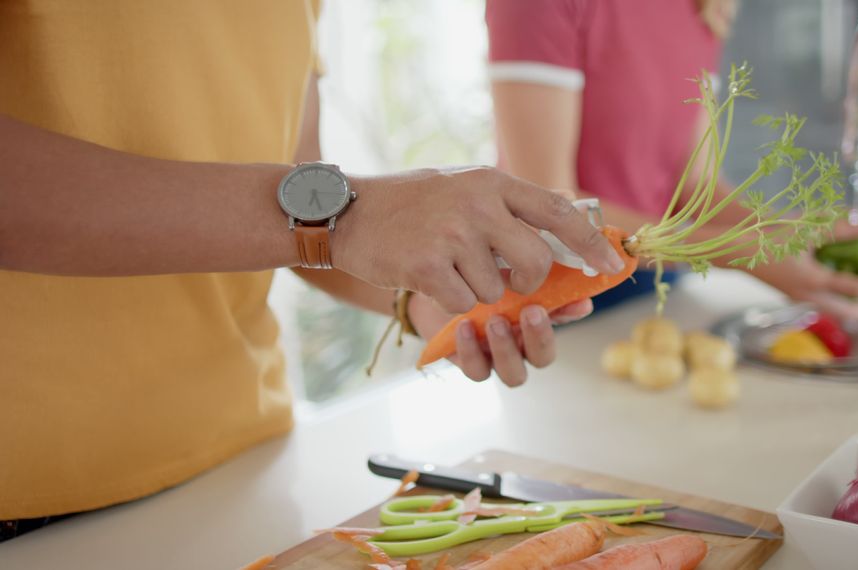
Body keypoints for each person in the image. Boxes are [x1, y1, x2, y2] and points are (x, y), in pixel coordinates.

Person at [0, 0, 621, 539]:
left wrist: (425, 298)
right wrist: (355, 214)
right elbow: (311, 213)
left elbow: (296, 208)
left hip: (250, 455)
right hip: (33, 498)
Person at [485, 0, 858, 320]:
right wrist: (748, 251)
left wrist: (794, 233)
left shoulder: (702, 9)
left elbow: (693, 186)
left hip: (660, 295)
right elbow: (549, 210)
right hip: (556, 313)